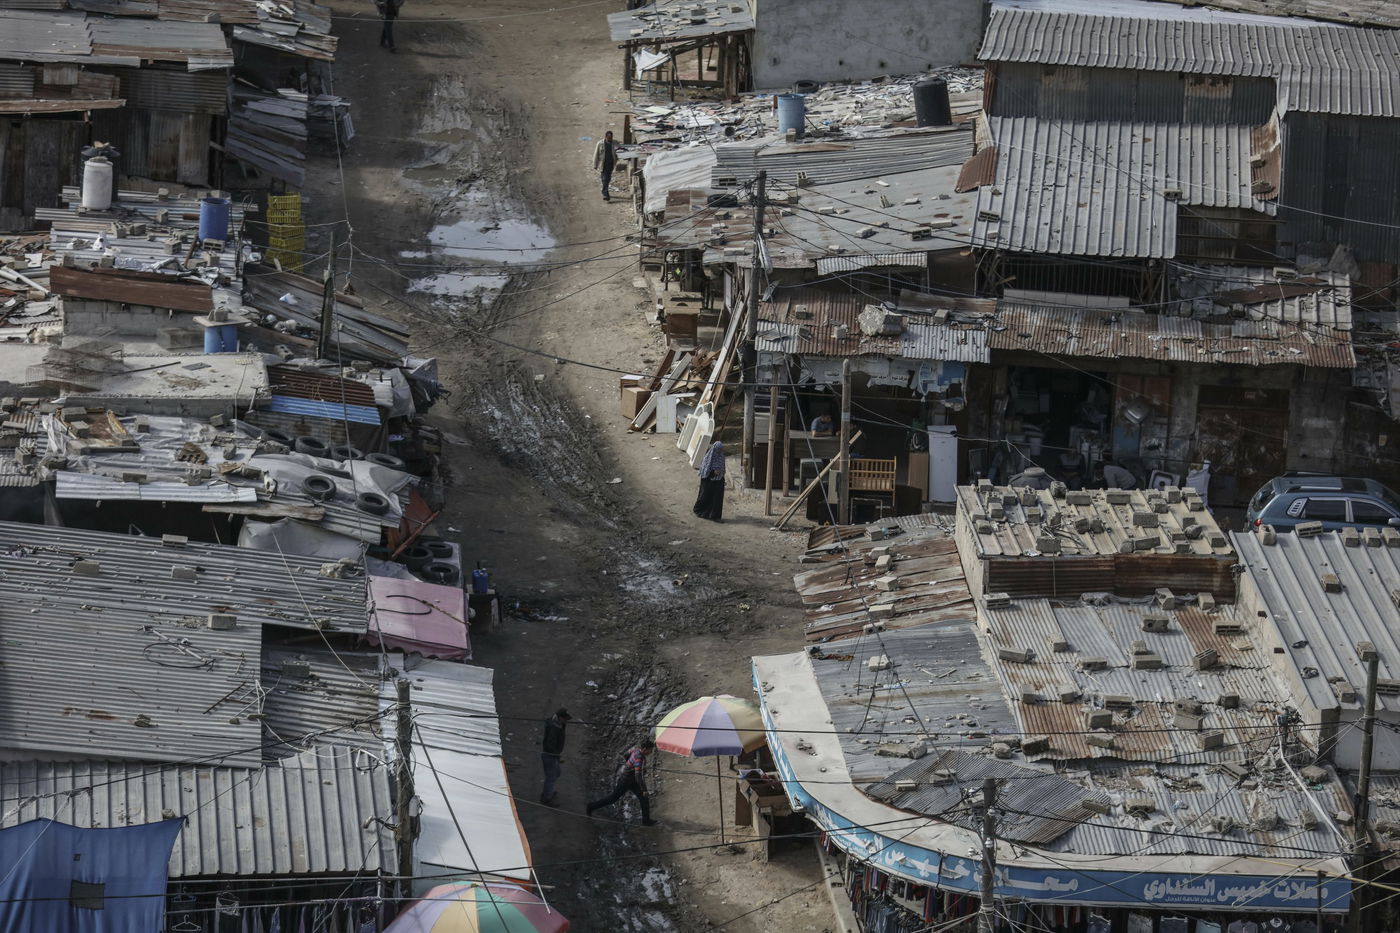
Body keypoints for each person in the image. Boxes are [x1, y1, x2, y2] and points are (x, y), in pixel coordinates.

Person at [587, 738, 656, 825]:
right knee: (612, 799)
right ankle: (591, 806)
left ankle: (646, 821)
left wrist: (629, 764)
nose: (651, 752)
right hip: (625, 781)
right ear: (645, 749)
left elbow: (626, 755)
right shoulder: (639, 758)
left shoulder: (635, 750)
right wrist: (644, 789)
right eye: (650, 750)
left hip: (632, 781)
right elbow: (638, 776)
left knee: (644, 798)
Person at [539, 708, 571, 806]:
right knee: (551, 777)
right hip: (550, 756)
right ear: (560, 718)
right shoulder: (554, 728)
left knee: (556, 773)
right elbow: (550, 745)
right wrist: (556, 754)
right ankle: (547, 798)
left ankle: (548, 792)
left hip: (553, 755)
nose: (567, 721)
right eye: (565, 719)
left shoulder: (558, 724)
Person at [692, 440, 725, 521]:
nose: (720, 451)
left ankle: (714, 516)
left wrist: (721, 476)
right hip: (708, 482)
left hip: (718, 481)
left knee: (717, 500)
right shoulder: (708, 458)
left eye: (721, 449)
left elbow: (723, 468)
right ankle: (700, 511)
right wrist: (713, 472)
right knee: (705, 497)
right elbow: (704, 470)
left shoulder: (721, 456)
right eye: (719, 450)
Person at [593, 131, 618, 201]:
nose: (610, 139)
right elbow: (596, 154)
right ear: (606, 137)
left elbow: (619, 150)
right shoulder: (600, 143)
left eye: (611, 137)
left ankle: (604, 190)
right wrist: (595, 164)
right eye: (609, 138)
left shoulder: (615, 143)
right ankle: (605, 194)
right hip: (603, 164)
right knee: (605, 179)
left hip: (611, 164)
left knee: (607, 178)